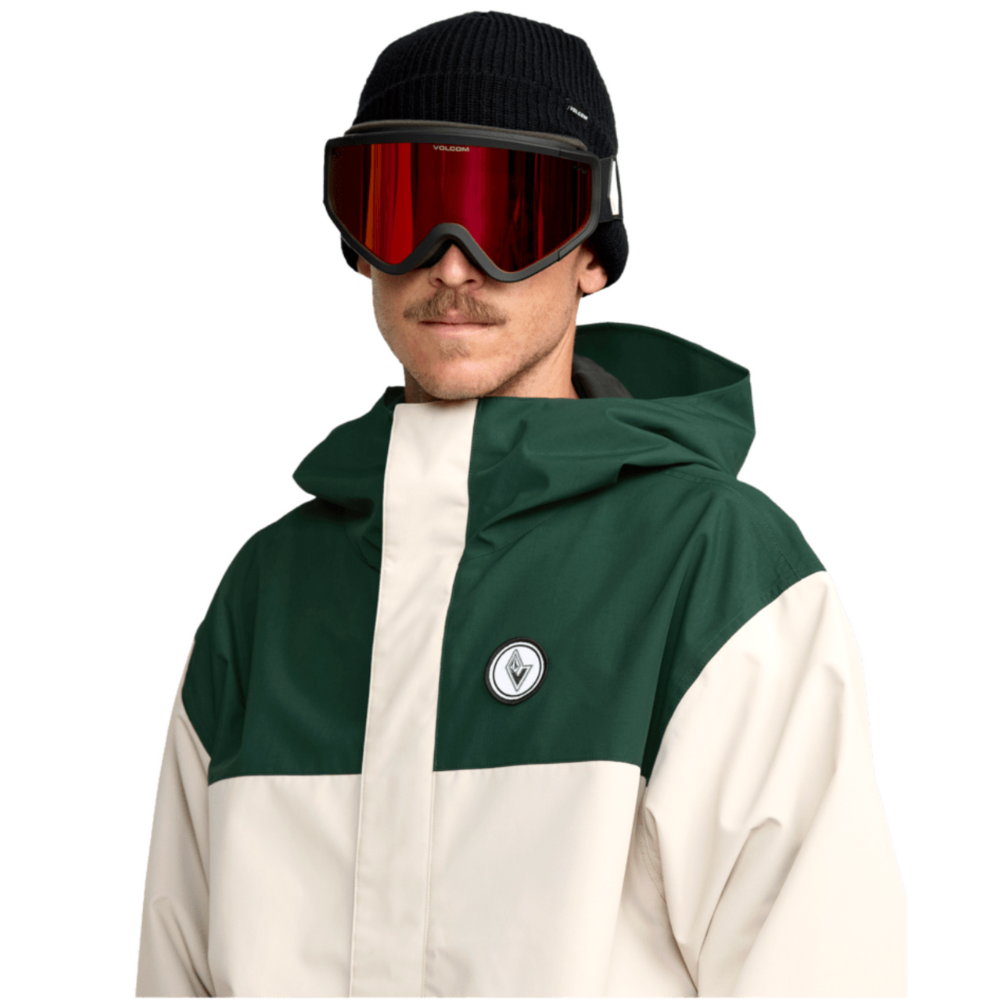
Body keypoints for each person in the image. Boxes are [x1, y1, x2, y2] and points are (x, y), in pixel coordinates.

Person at [136, 11, 905, 997]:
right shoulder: (270, 590)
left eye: (512, 213)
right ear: (357, 243)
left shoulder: (714, 566)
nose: (452, 264)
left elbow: (818, 966)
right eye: (406, 207)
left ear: (593, 252)